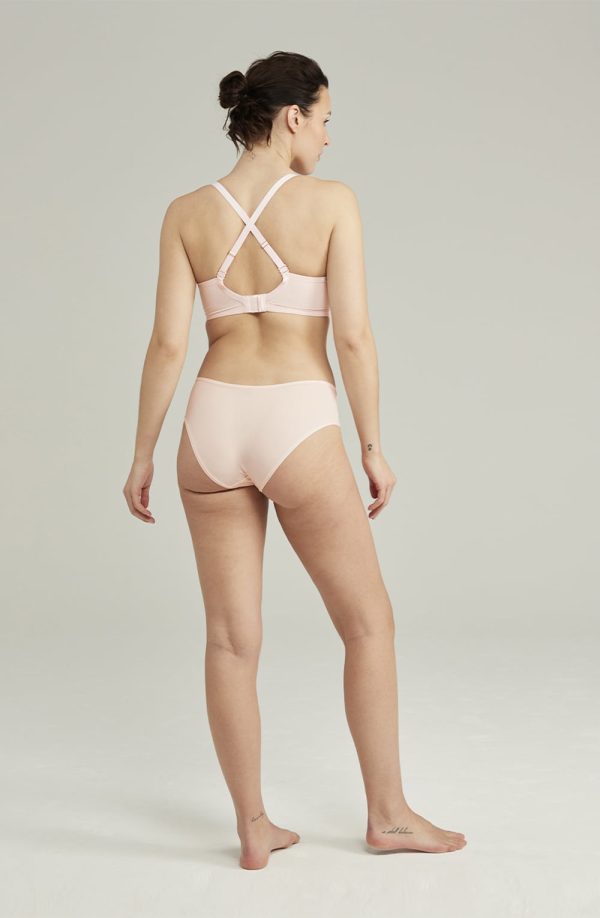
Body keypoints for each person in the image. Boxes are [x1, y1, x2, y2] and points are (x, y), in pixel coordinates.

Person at [123, 50, 466, 870]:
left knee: (229, 642)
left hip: (210, 424)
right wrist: (372, 444)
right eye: (326, 120)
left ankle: (253, 827)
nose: (328, 138)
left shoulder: (184, 213)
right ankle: (389, 815)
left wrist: (141, 454)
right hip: (296, 421)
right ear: (291, 118)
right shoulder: (331, 203)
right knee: (368, 622)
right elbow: (353, 335)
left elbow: (169, 344)